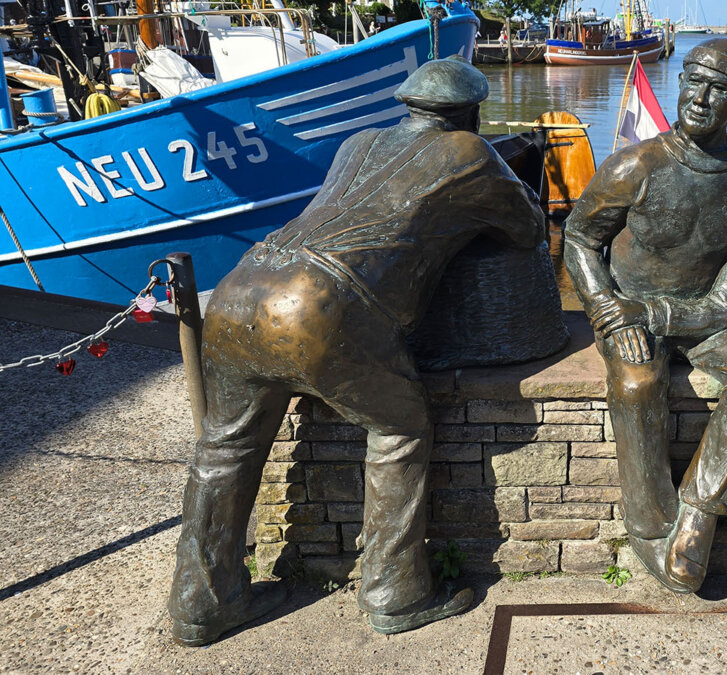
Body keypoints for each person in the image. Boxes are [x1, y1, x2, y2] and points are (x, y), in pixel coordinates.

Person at [167, 57, 545, 646]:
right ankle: (395, 592)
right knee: (400, 428)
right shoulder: (472, 154)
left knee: (224, 448)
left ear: (409, 106)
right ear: (471, 113)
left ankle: (201, 602)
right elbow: (529, 228)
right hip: (321, 303)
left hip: (242, 288)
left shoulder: (358, 142)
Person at [563, 39, 727, 594]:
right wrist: (610, 313)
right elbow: (579, 239)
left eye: (718, 89)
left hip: (703, 319)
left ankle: (697, 516)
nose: (700, 98)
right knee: (638, 383)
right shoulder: (636, 164)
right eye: (693, 81)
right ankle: (648, 522)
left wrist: (656, 313)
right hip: (629, 316)